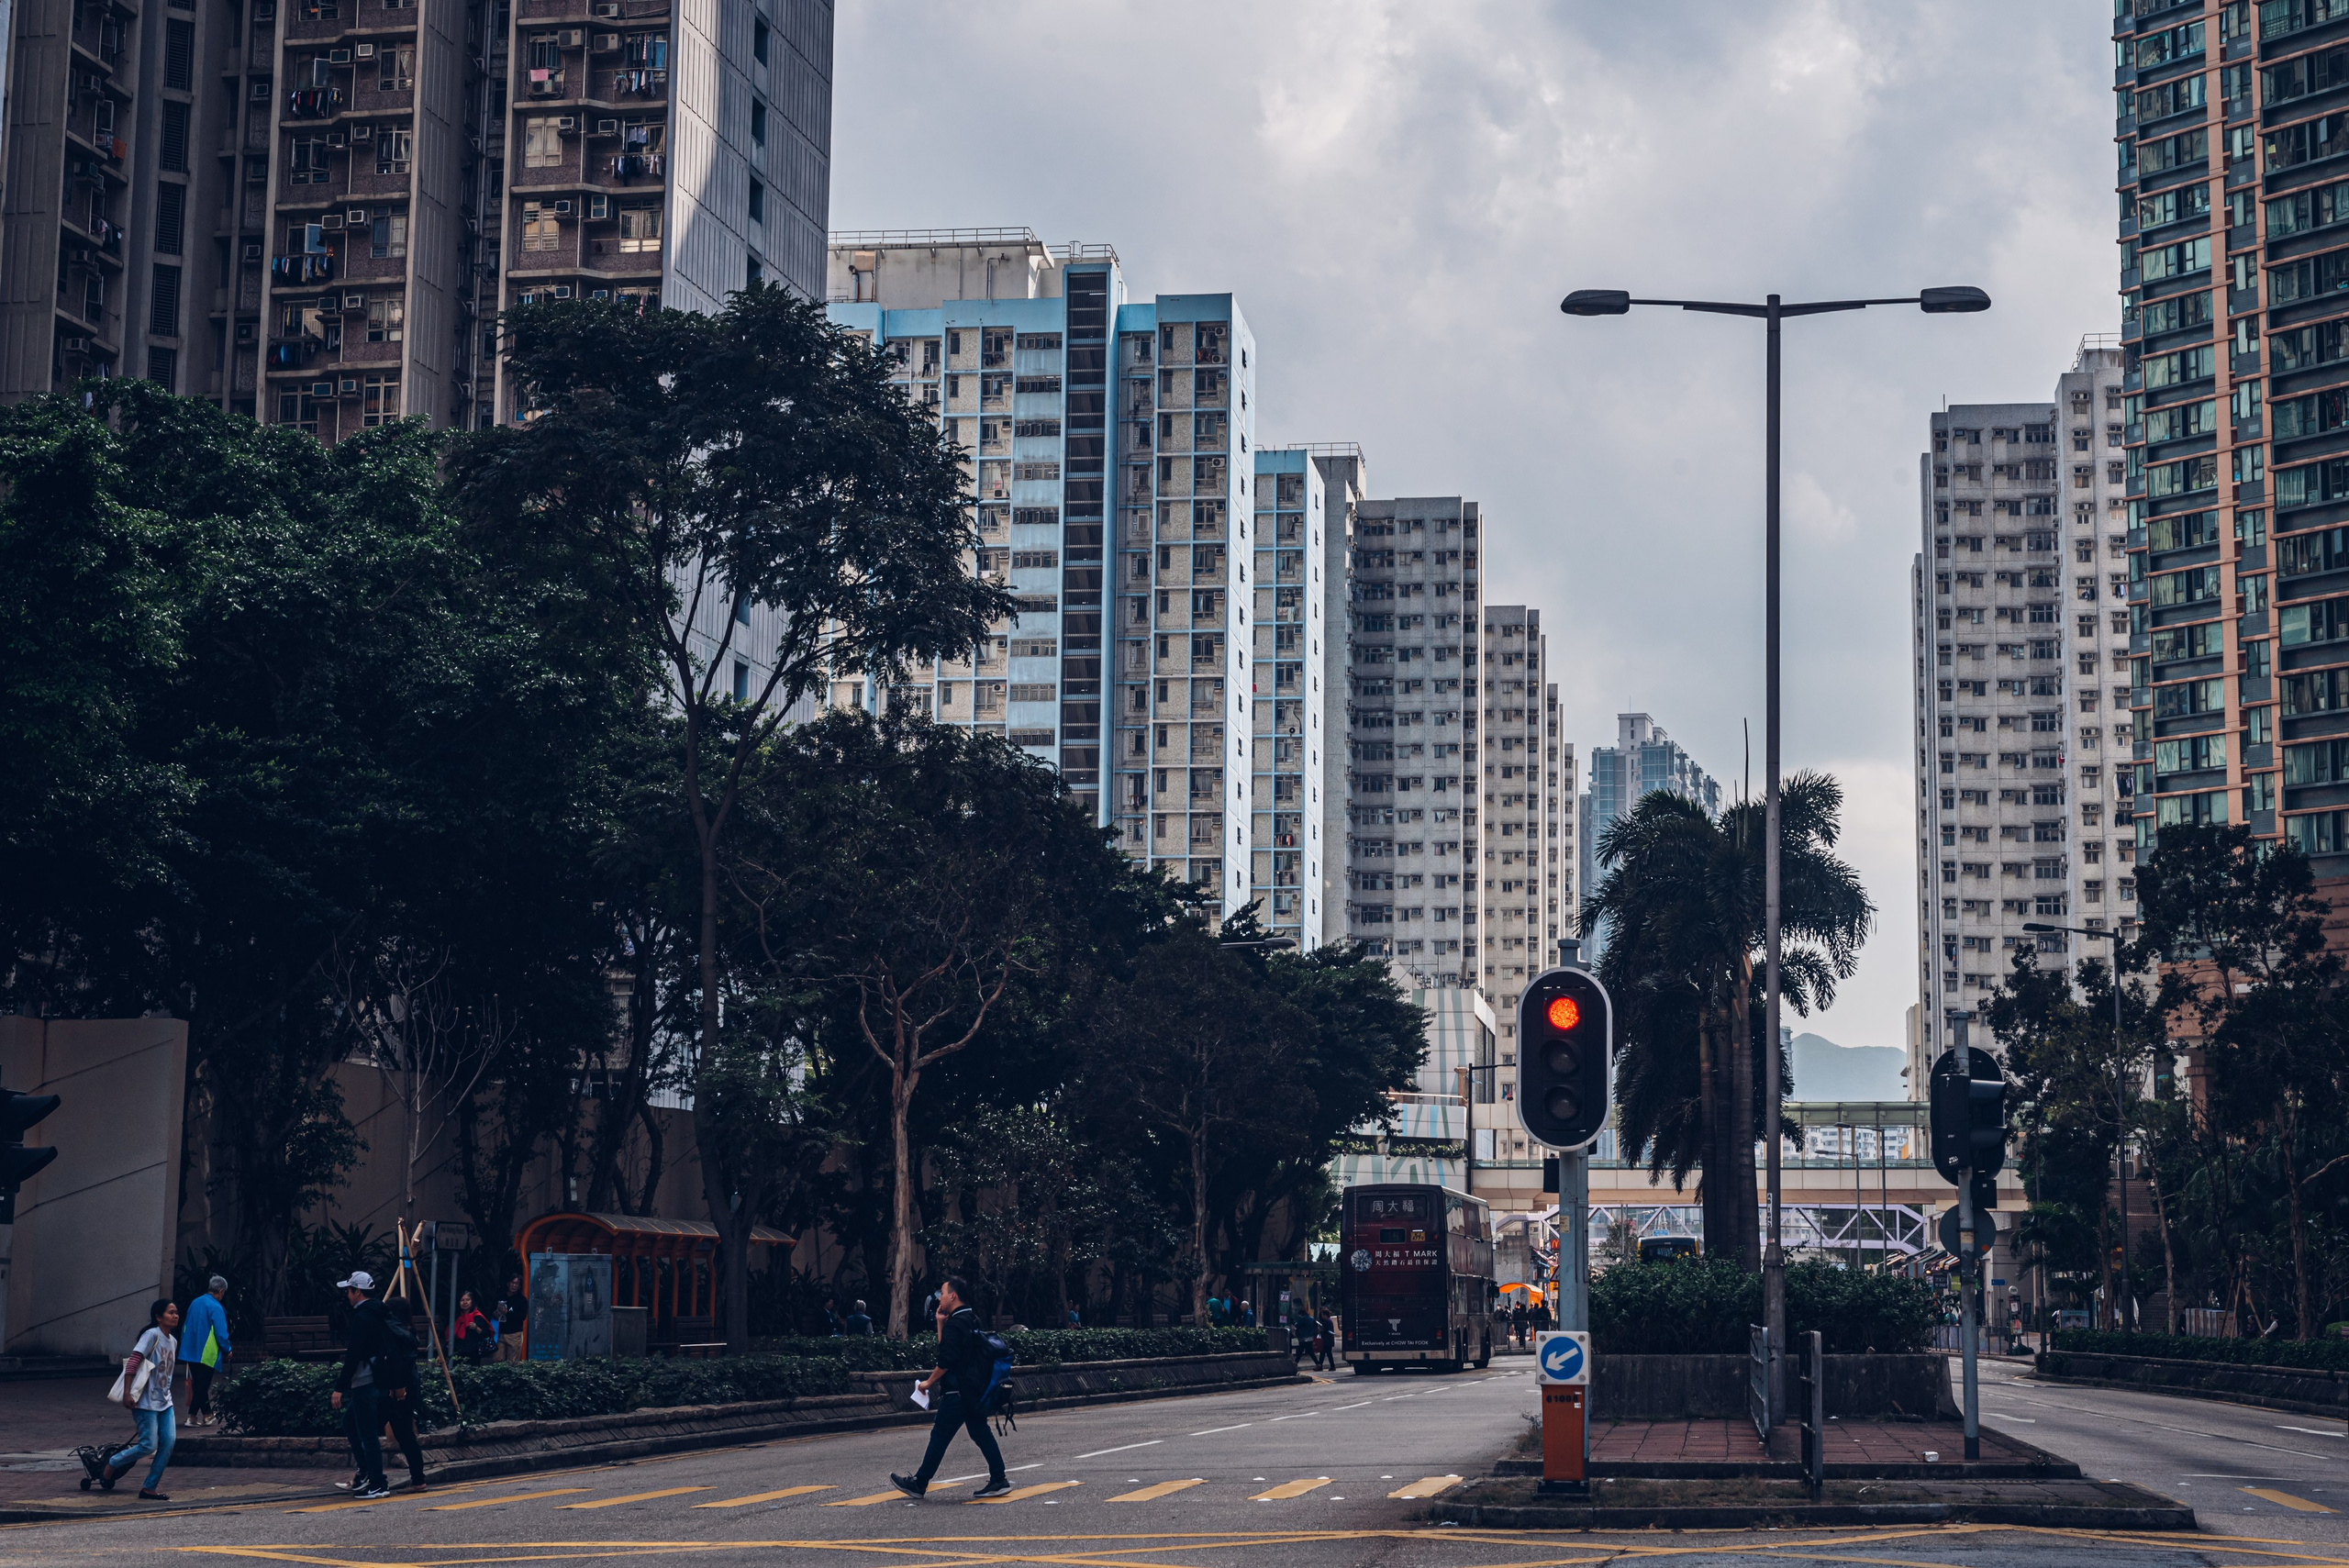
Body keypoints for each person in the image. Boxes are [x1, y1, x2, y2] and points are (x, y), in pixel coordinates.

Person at [888, 1277, 1009, 1499]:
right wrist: (940, 1323)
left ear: (953, 1296)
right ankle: (999, 1479)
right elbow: (951, 1349)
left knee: (940, 1436)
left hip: (957, 1392)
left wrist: (928, 1383)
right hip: (972, 1390)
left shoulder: (957, 1323)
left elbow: (946, 1359)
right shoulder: (971, 1319)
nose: (939, 1297)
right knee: (980, 1432)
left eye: (942, 1293)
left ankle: (919, 1483)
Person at [327, 1271, 401, 1500]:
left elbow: (353, 1355)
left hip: (365, 1382)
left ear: (358, 1292)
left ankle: (377, 1483)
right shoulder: (382, 1312)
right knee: (350, 1423)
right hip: (382, 1381)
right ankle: (366, 1472)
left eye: (349, 1291)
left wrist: (340, 1387)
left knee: (367, 1435)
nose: (347, 1295)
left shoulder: (362, 1317)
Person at [99, 1299, 184, 1499]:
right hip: (145, 1401)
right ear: (158, 1317)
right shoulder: (151, 1335)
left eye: (176, 1312)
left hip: (165, 1400)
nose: (175, 1316)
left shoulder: (173, 1341)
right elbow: (133, 1362)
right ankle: (112, 1463)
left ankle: (149, 1488)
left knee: (169, 1442)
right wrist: (127, 1393)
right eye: (171, 1312)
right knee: (148, 1445)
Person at [181, 1275, 233, 1428]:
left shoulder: (195, 1302)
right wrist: (227, 1349)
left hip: (191, 1349)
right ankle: (191, 1416)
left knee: (199, 1384)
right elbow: (221, 1333)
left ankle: (207, 1415)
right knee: (202, 1385)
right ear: (221, 1291)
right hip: (206, 1351)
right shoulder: (216, 1307)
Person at [451, 1291, 493, 1363]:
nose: (465, 1302)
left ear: (472, 1302)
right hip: (458, 1351)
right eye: (462, 1300)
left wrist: (476, 1328)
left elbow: (486, 1333)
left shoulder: (477, 1316)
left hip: (473, 1351)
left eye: (468, 1300)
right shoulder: (456, 1316)